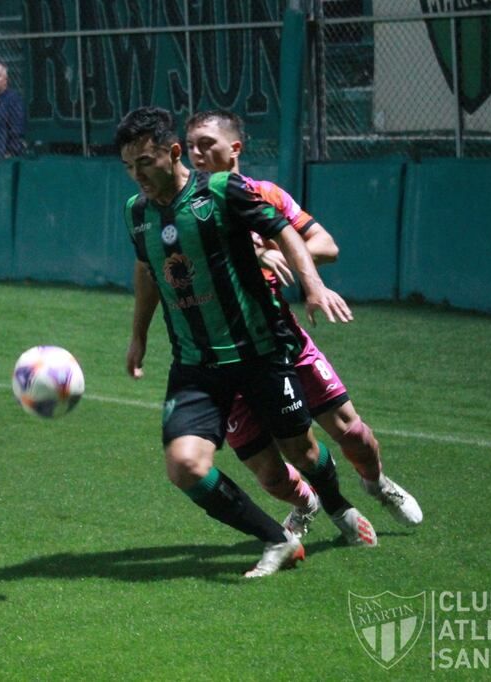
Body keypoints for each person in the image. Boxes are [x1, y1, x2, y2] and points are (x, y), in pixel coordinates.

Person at [117, 106, 356, 578]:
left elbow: (284, 230)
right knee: (184, 465)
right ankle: (277, 539)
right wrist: (138, 337)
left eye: (145, 162)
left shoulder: (223, 191)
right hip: (196, 366)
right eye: (128, 166)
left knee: (303, 453)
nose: (137, 175)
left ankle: (339, 506)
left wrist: (311, 286)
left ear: (173, 151)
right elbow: (147, 271)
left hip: (260, 353)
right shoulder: (138, 213)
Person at [183, 109, 423, 537]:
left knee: (353, 434)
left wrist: (285, 256)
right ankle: (308, 504)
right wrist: (250, 254)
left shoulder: (264, 195)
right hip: (221, 355)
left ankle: (376, 483)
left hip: (280, 339)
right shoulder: (183, 210)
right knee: (273, 475)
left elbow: (326, 245)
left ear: (235, 148)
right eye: (192, 146)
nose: (197, 154)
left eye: (207, 144)